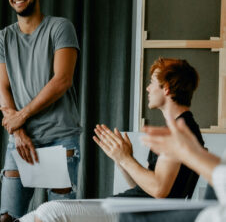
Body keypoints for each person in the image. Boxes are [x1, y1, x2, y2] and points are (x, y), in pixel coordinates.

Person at [20, 58, 204, 222]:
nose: (148, 88)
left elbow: (159, 190)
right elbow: (145, 188)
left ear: (167, 89)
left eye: (152, 83)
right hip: (135, 206)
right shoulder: (180, 129)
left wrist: (126, 158)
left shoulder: (179, 132)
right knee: (30, 217)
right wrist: (121, 159)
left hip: (142, 213)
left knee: (50, 212)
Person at [0, 0, 81, 221]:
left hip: (60, 139)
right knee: (7, 218)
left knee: (58, 218)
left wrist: (21, 116)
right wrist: (18, 131)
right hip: (21, 141)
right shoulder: (2, 39)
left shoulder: (60, 27)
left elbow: (62, 80)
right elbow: (3, 90)